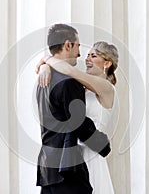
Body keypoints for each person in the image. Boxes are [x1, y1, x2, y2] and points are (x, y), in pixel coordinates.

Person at [36, 24, 111, 194]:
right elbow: (77, 122)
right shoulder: (69, 82)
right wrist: (103, 144)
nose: (79, 53)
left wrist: (45, 62)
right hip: (66, 168)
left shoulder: (42, 82)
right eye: (78, 46)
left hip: (47, 167)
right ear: (68, 45)